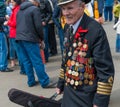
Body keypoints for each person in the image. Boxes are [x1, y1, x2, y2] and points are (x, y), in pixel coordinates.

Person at [56, 0, 115, 107]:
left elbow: (106, 71)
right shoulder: (68, 27)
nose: (65, 13)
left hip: (86, 95)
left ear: (82, 7)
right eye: (63, 9)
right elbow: (66, 58)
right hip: (69, 91)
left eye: (69, 8)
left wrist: (100, 101)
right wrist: (61, 82)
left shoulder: (95, 30)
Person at [16, 0, 57, 88]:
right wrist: (41, 38)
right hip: (30, 38)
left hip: (19, 37)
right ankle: (45, 82)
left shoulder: (20, 10)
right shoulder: (34, 9)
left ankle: (31, 81)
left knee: (26, 61)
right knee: (37, 60)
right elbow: (38, 26)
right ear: (36, 2)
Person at [0, 0, 13, 72]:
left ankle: (2, 65)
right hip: (1, 30)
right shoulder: (2, 5)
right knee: (3, 49)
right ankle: (3, 66)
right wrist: (5, 18)